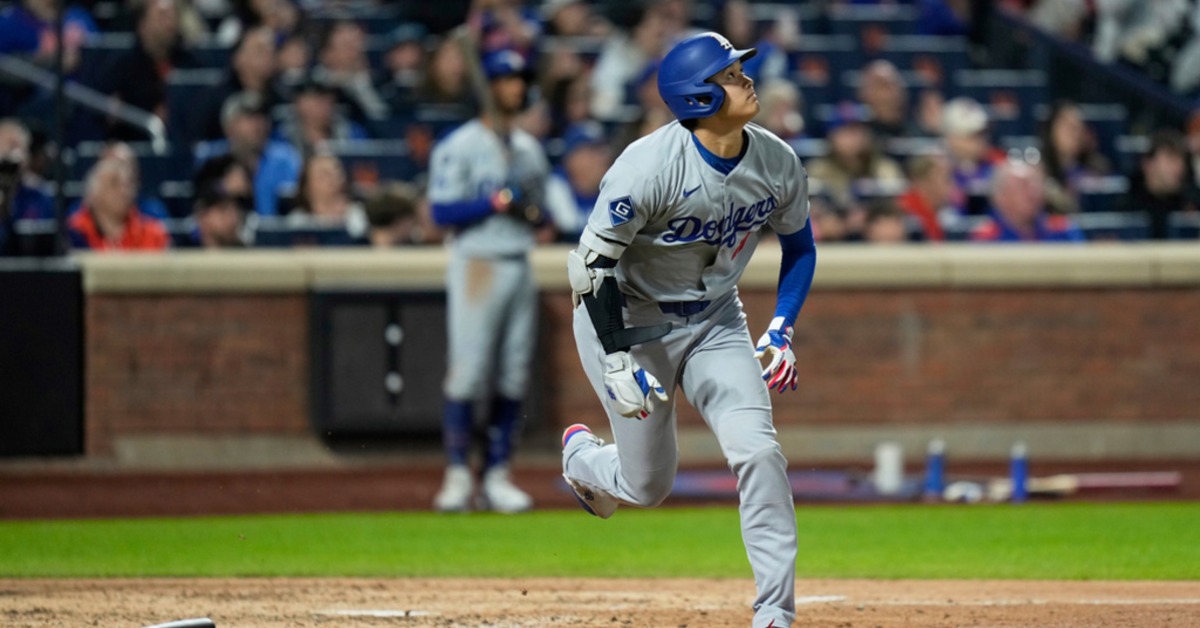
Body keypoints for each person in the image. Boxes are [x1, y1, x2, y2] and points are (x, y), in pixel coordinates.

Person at [561, 32, 815, 628]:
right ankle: (582, 458)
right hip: (628, 319)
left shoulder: (776, 159)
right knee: (648, 486)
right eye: (730, 74)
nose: (745, 79)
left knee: (759, 452)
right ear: (699, 97)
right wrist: (616, 358)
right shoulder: (646, 166)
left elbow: (800, 247)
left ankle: (775, 612)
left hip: (716, 320)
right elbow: (590, 269)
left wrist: (781, 328)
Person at [425, 49, 551, 514]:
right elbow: (441, 212)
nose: (517, 88)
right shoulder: (460, 145)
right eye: (508, 80)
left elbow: (543, 216)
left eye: (521, 80)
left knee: (514, 375)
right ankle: (458, 474)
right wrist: (494, 202)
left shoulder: (528, 150)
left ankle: (498, 473)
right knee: (469, 372)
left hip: (519, 258)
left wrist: (525, 205)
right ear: (491, 86)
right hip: (476, 261)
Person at [94, 0, 199, 140]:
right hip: (134, 142)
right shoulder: (121, 67)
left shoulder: (190, 62)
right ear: (143, 25)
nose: (170, 22)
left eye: (173, 15)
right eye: (162, 16)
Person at [194, 91, 302, 216]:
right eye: (249, 118)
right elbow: (195, 203)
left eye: (262, 117)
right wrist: (222, 189)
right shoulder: (211, 158)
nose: (258, 125)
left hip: (275, 226)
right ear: (229, 127)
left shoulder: (285, 159)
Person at [67, 159, 170, 251]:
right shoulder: (72, 234)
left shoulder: (153, 234)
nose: (124, 191)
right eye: (114, 183)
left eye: (128, 185)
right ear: (93, 194)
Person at [970, 162, 1084, 242]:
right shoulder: (986, 238)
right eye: (1022, 186)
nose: (1031, 193)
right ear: (1000, 196)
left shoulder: (1063, 230)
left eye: (1035, 184)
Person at [1120, 129, 1200, 240]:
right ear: (1148, 164)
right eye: (1171, 158)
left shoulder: (1191, 204)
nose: (1179, 167)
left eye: (1181, 159)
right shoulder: (1125, 209)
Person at [544, 121, 613, 241]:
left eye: (603, 151)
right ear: (571, 159)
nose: (602, 159)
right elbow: (567, 226)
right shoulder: (556, 185)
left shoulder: (612, 187)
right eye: (592, 152)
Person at [896, 152, 955, 241]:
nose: (952, 186)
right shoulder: (904, 212)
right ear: (924, 181)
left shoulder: (932, 213)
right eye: (946, 179)